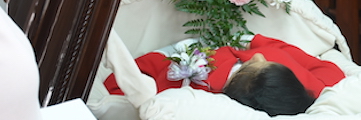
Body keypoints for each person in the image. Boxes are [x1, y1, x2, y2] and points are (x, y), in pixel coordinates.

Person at [104, 35, 345, 116]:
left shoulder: (195, 90)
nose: (259, 58)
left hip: (164, 64)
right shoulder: (291, 71)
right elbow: (332, 73)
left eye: (257, 64)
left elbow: (120, 84)